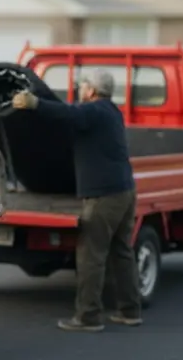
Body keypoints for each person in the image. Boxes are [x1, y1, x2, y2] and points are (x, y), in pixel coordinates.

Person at [11, 69, 141, 332]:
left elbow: (69, 114)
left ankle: (88, 317)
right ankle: (130, 311)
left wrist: (34, 104)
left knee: (90, 256)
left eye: (82, 86)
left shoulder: (93, 112)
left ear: (92, 91)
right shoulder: (112, 112)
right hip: (125, 192)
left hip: (104, 197)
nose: (80, 89)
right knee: (122, 252)